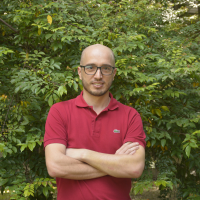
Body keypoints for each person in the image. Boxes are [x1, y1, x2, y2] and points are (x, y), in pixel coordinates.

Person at [44, 44, 146, 200]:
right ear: (80, 72)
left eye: (105, 68)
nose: (98, 75)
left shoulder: (130, 116)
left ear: (114, 73)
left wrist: (82, 154)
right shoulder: (59, 112)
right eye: (90, 67)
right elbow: (55, 166)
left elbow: (134, 167)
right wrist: (115, 163)